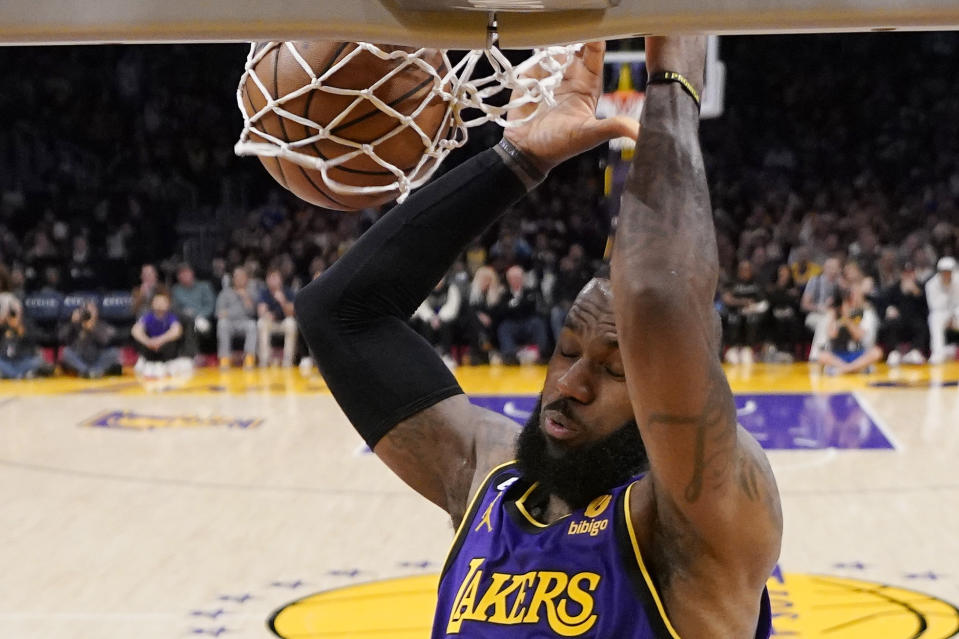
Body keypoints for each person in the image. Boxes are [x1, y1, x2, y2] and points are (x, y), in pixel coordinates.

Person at [295, 38, 778, 638]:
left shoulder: (698, 516)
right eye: (568, 351)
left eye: (615, 369)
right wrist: (515, 160)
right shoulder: (488, 477)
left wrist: (672, 87)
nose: (571, 384)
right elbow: (341, 314)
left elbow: (658, 301)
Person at [817, 288, 882, 375]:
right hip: (839, 354)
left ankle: (845, 369)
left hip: (856, 353)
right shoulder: (834, 316)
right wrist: (833, 316)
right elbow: (832, 334)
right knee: (822, 356)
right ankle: (856, 368)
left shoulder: (859, 314)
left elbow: (858, 336)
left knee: (876, 352)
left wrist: (847, 318)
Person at [495, 264, 550, 365]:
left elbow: (531, 308)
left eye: (518, 277)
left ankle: (542, 354)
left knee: (538, 323)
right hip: (513, 324)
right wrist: (518, 305)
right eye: (512, 278)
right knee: (504, 327)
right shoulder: (504, 295)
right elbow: (501, 311)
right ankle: (510, 356)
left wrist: (514, 306)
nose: (515, 280)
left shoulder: (531, 292)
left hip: (528, 322)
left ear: (522, 278)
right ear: (508, 280)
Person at [877, 262, 928, 366]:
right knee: (890, 323)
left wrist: (917, 293)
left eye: (911, 273)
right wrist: (889, 309)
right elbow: (884, 304)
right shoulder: (893, 289)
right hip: (899, 322)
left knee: (921, 324)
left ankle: (916, 351)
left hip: (915, 322)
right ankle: (894, 352)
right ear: (901, 274)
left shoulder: (922, 288)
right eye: (906, 273)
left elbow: (927, 309)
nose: (908, 276)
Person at [59, 301, 122, 378]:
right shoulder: (75, 325)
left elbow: (106, 341)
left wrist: (92, 329)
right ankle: (87, 371)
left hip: (97, 357)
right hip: (80, 356)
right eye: (87, 310)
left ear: (97, 312)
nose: (89, 313)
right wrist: (72, 323)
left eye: (92, 310)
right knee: (66, 352)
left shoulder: (103, 325)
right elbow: (62, 337)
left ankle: (94, 371)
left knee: (114, 352)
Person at [721, 259, 768, 364]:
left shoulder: (756, 284)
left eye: (747, 269)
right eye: (742, 269)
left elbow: (763, 302)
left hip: (752, 312)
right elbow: (727, 299)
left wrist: (752, 307)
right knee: (733, 319)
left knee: (753, 320)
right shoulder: (732, 282)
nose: (745, 271)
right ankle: (732, 348)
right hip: (734, 312)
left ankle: (750, 348)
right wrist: (743, 302)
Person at [411, 276, 463, 369]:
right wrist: (431, 318)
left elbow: (452, 307)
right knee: (424, 325)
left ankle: (447, 355)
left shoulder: (451, 288)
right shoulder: (424, 289)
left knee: (446, 326)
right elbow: (421, 306)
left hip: (446, 319)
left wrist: (440, 318)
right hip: (428, 319)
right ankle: (428, 356)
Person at [215, 266, 258, 369]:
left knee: (252, 325)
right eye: (237, 277)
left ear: (247, 278)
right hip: (229, 323)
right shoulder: (225, 293)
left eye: (242, 277)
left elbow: (253, 313)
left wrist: (246, 298)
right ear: (233, 279)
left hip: (245, 322)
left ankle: (249, 357)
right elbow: (219, 314)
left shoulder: (251, 293)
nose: (240, 279)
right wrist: (235, 313)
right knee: (222, 324)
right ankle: (225, 358)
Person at [131, 293, 183, 376]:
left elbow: (176, 330)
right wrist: (148, 342)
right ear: (152, 304)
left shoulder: (171, 317)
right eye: (157, 302)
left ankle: (166, 365)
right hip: (150, 348)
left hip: (165, 348)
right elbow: (135, 330)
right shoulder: (148, 317)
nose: (159, 305)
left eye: (163, 302)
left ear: (168, 305)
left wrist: (160, 340)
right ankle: (145, 362)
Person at [801, 256, 841, 361]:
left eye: (835, 267)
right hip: (814, 315)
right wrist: (820, 307)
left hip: (835, 317)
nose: (832, 270)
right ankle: (819, 352)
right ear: (824, 268)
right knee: (826, 318)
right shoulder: (815, 281)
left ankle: (817, 353)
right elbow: (804, 304)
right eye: (830, 267)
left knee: (828, 318)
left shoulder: (839, 284)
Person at [171, 263, 216, 359]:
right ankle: (192, 355)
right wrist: (186, 314)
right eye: (181, 274)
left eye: (186, 273)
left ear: (192, 273)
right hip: (183, 319)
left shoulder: (204, 286)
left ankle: (193, 354)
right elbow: (174, 308)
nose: (184, 276)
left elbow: (210, 305)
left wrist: (198, 315)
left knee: (197, 325)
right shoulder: (176, 290)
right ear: (178, 277)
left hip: (202, 318)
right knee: (186, 323)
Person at [257, 268, 298, 367]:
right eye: (270, 277)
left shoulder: (288, 292)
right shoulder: (264, 293)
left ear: (281, 279)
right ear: (267, 280)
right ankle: (265, 360)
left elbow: (292, 313)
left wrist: (283, 301)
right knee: (261, 323)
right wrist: (265, 313)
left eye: (275, 277)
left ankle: (288, 361)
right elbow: (260, 311)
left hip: (284, 323)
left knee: (291, 323)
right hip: (271, 323)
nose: (273, 280)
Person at [925, 256, 959, 365]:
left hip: (956, 312)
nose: (946, 275)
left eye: (949, 272)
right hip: (941, 313)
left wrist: (953, 316)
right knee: (934, 319)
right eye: (944, 272)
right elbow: (934, 306)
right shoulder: (931, 284)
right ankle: (938, 353)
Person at [0, 303, 48, 379]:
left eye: (15, 316)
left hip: (23, 361)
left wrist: (23, 335)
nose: (13, 319)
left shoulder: (28, 326)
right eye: (11, 316)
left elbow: (34, 346)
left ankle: (12, 374)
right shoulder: (3, 327)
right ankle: (18, 374)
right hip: (7, 361)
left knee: (38, 360)